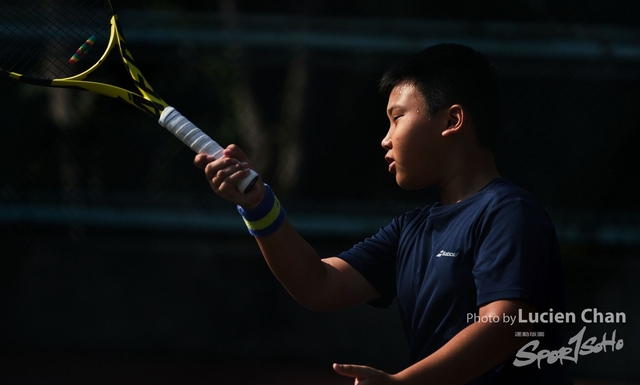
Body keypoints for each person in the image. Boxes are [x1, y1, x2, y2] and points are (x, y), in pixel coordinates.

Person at [194, 44, 573, 384]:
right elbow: (318, 284)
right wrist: (257, 204)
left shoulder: (510, 212)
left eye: (397, 117)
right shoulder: (410, 229)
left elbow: (507, 325)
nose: (385, 138)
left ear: (452, 121)